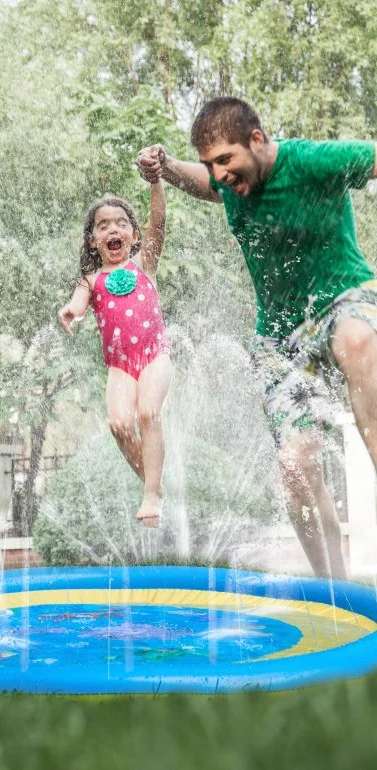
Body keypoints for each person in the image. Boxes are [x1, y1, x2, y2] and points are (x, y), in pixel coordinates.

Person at [137, 96, 377, 578]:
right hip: (279, 342)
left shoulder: (310, 161)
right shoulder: (228, 183)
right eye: (211, 163)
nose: (220, 173)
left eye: (226, 159)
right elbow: (204, 184)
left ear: (258, 141)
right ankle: (336, 596)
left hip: (342, 299)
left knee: (357, 340)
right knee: (295, 468)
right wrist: (164, 167)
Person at [58, 174, 172, 527]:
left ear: (134, 237)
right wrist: (71, 311)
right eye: (103, 225)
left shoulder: (145, 266)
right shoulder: (91, 280)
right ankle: (153, 482)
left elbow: (160, 222)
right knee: (120, 425)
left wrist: (156, 182)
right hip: (120, 366)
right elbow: (78, 303)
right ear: (93, 241)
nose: (113, 230)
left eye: (121, 223)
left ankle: (151, 494)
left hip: (155, 355)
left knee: (148, 414)